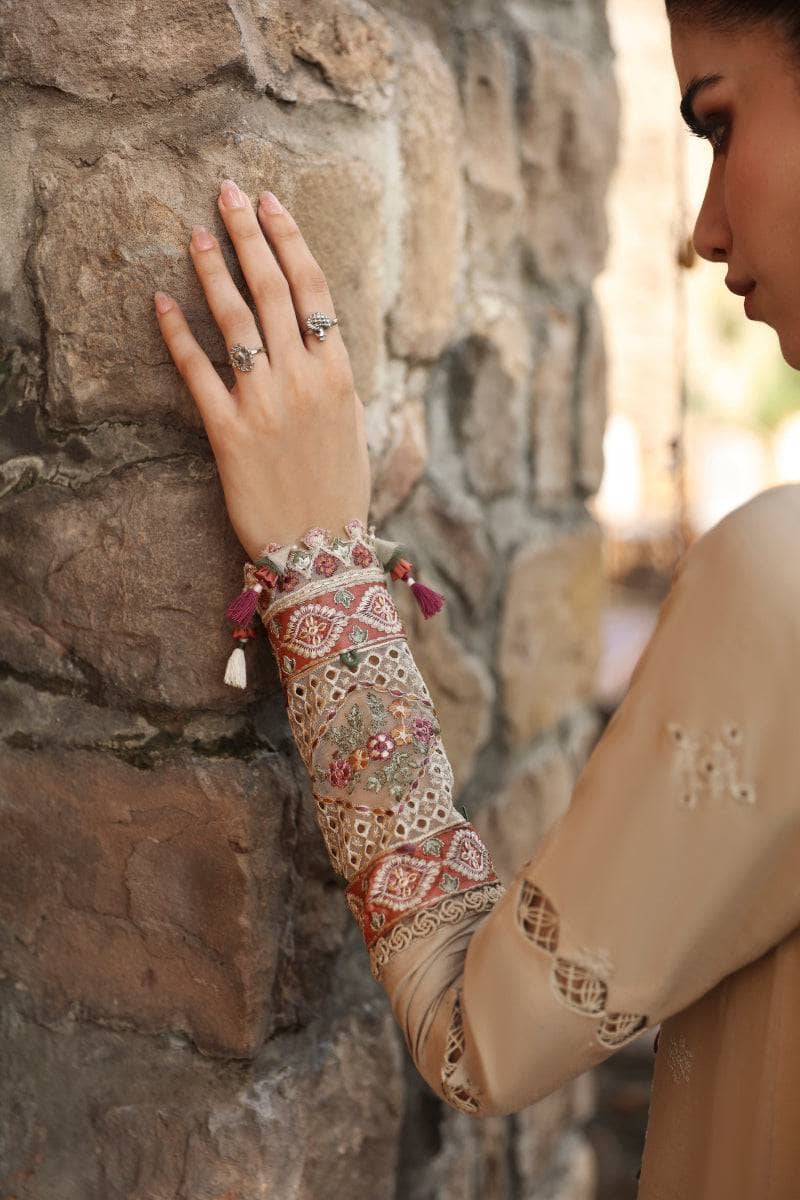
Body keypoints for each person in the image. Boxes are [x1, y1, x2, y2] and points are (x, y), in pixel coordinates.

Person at [151, 5, 800, 1194]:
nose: (702, 230)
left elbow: (476, 1036)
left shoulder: (781, 580)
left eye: (716, 123)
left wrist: (321, 572)